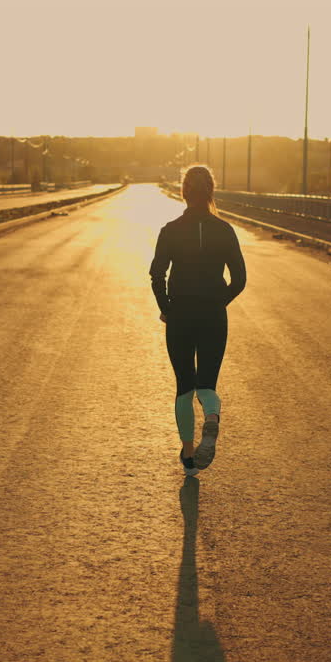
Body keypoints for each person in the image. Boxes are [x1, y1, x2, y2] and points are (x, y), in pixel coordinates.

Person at [150, 165, 247, 477]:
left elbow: (157, 274)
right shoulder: (224, 230)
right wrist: (218, 301)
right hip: (213, 315)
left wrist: (166, 307)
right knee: (206, 385)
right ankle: (212, 419)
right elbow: (240, 279)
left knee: (184, 386)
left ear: (184, 192)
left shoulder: (170, 230)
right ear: (211, 192)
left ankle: (190, 458)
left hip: (180, 314)